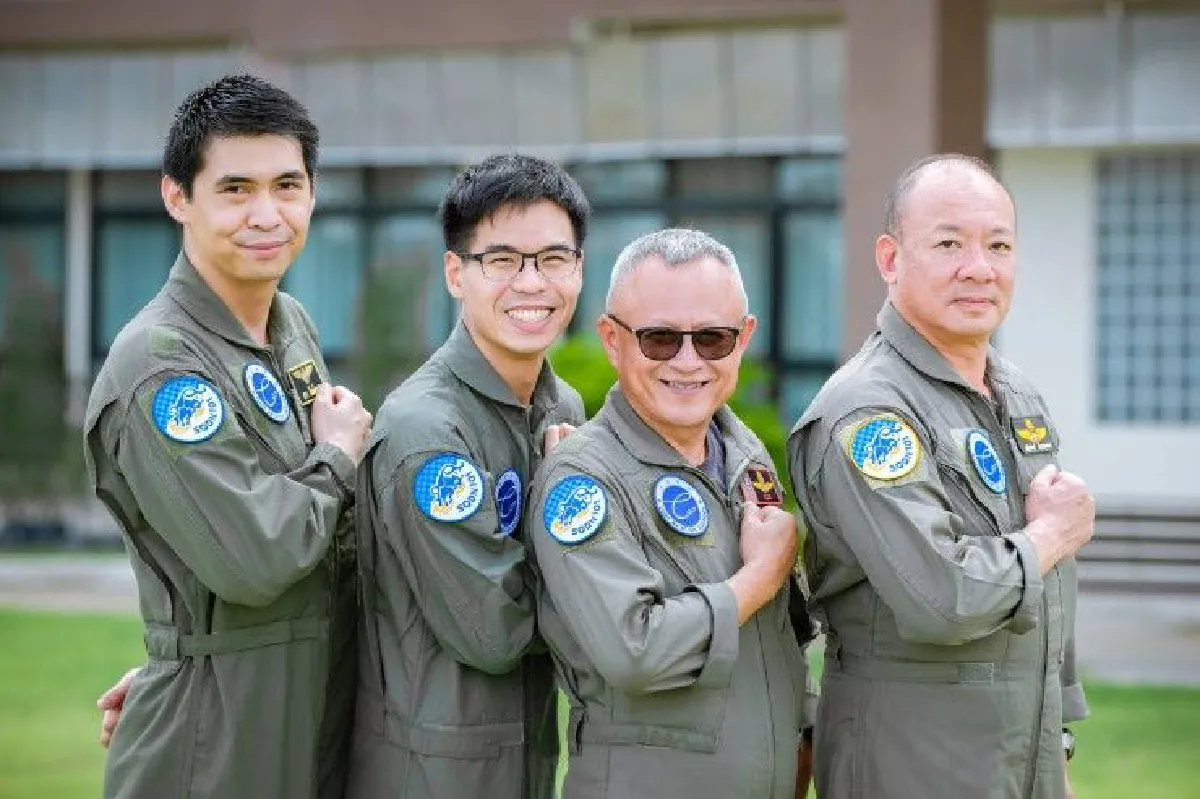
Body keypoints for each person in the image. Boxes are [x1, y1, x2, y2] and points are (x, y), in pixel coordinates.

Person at [84, 74, 371, 799]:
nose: (267, 213)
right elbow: (258, 555)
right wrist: (339, 457)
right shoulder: (161, 365)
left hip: (297, 710)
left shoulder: (291, 324)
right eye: (236, 188)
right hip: (209, 746)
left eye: (287, 184)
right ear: (178, 196)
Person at [788, 153, 1093, 799]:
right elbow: (942, 597)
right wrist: (1050, 536)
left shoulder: (1015, 394)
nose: (978, 267)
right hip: (913, 759)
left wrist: (1058, 738)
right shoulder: (869, 411)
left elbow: (1051, 592)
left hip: (1021, 758)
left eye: (999, 244)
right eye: (949, 243)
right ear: (891, 259)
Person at [529, 228, 816, 799]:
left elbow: (779, 638)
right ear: (612, 339)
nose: (687, 361)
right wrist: (759, 576)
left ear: (744, 338)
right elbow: (635, 651)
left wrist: (802, 731)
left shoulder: (744, 453)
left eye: (712, 338)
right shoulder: (582, 479)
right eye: (659, 339)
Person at [346, 154, 589, 799]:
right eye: (503, 261)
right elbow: (493, 631)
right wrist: (577, 543)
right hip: (433, 770)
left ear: (579, 270)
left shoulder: (560, 407)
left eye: (554, 259)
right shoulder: (426, 429)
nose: (531, 283)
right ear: (456, 272)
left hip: (522, 757)